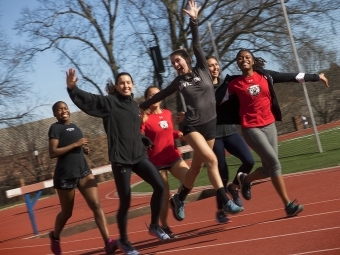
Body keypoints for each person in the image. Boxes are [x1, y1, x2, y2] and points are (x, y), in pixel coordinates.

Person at [139, 0, 244, 222]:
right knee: (212, 161)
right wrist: (136, 106)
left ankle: (179, 198)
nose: (175, 64)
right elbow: (159, 96)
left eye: (177, 60)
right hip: (192, 126)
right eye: (172, 63)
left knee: (195, 168)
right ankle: (226, 202)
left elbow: (196, 44)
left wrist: (194, 21)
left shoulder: (203, 69)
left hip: (211, 126)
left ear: (186, 59)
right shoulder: (178, 82)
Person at [66, 69, 170, 255]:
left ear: (133, 84)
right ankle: (124, 240)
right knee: (126, 201)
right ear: (116, 86)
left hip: (138, 156)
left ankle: (154, 225)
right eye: (121, 83)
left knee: (160, 186)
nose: (126, 85)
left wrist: (142, 139)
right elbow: (90, 100)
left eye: (128, 82)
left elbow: (132, 130)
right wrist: (73, 89)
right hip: (121, 160)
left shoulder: (134, 106)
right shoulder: (110, 103)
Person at [215, 49, 329, 217]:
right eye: (240, 58)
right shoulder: (234, 84)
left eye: (247, 57)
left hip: (269, 125)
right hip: (251, 128)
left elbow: (292, 76)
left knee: (268, 169)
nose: (244, 60)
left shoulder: (266, 76)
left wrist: (316, 77)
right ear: (237, 63)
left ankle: (244, 180)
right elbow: (214, 102)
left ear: (253, 61)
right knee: (275, 164)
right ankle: (288, 205)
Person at [48, 101, 116, 255]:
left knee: (96, 205)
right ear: (55, 114)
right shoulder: (55, 128)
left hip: (83, 171)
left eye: (65, 108)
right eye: (59, 109)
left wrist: (83, 148)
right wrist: (75, 145)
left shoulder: (76, 127)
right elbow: (53, 152)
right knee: (66, 213)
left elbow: (76, 145)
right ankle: (55, 237)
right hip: (65, 175)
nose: (63, 111)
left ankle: (108, 242)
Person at [206, 56, 255, 223]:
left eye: (215, 65)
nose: (214, 68)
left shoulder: (228, 83)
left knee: (249, 160)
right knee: (222, 172)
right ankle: (221, 210)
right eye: (210, 66)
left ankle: (234, 188)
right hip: (214, 135)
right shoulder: (202, 88)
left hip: (231, 131)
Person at [141, 85, 190, 237]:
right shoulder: (145, 117)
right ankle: (165, 226)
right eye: (150, 95)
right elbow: (140, 136)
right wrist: (144, 141)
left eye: (157, 94)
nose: (154, 97)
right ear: (147, 99)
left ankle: (177, 200)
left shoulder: (168, 113)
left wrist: (177, 134)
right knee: (163, 193)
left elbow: (167, 133)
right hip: (156, 162)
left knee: (189, 178)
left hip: (173, 156)